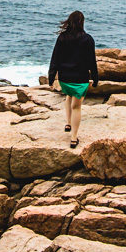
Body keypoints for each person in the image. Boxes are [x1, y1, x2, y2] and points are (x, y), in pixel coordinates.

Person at [47, 10, 99, 148]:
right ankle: (74, 138)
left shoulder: (62, 38)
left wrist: (51, 78)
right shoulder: (88, 39)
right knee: (77, 106)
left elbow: (55, 58)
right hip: (80, 79)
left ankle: (68, 123)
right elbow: (91, 61)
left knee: (68, 96)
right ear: (82, 23)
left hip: (65, 78)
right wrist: (95, 78)